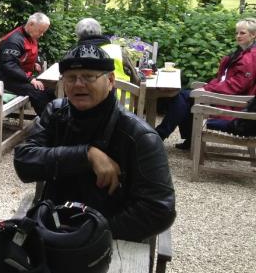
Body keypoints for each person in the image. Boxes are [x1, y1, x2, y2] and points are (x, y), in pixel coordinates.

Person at [14, 44, 176, 242]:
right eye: (71, 78)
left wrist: (92, 233)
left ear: (110, 81)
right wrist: (86, 155)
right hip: (52, 227)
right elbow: (24, 162)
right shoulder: (55, 113)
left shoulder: (139, 135)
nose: (78, 84)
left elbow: (160, 209)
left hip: (109, 239)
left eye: (89, 76)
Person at [155, 18, 256, 150]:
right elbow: (223, 79)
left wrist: (207, 89)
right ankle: (183, 139)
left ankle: (159, 136)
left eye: (242, 33)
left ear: (253, 35)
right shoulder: (242, 52)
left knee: (183, 97)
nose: (238, 36)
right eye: (236, 33)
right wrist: (207, 87)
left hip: (232, 103)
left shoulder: (251, 57)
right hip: (226, 96)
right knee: (186, 96)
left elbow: (237, 86)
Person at [0, 12, 55, 114]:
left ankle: (55, 118)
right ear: (31, 24)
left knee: (50, 90)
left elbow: (30, 55)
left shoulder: (30, 36)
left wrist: (36, 63)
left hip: (17, 76)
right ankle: (47, 121)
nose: (42, 34)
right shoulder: (13, 41)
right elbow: (9, 65)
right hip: (3, 78)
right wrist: (30, 79)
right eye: (40, 31)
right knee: (37, 92)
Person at [74, 17, 130, 82]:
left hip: (89, 88)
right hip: (121, 88)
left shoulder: (74, 53)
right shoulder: (118, 50)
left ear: (78, 35)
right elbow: (135, 77)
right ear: (100, 32)